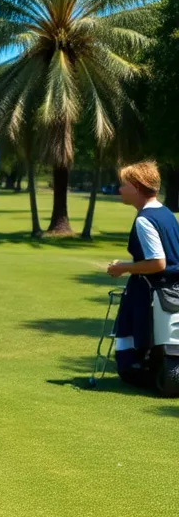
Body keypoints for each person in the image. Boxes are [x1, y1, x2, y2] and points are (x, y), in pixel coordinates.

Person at [107, 160, 179, 389]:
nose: (120, 189)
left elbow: (158, 263)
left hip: (151, 290)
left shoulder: (145, 219)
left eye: (124, 185)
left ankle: (141, 367)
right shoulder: (166, 213)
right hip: (171, 288)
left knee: (129, 365)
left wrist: (123, 268)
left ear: (137, 187)